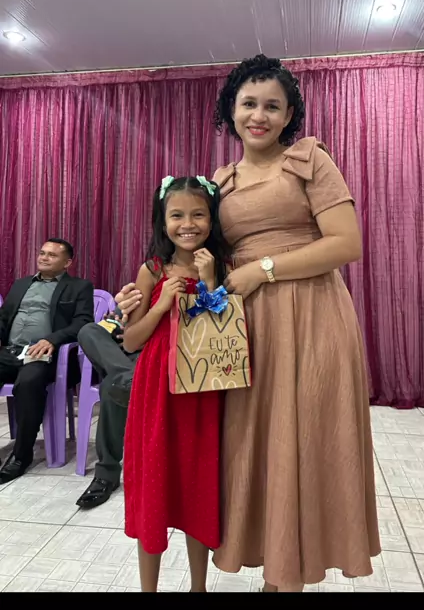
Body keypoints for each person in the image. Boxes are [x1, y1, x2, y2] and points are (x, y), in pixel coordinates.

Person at [115, 55, 381, 592]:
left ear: (289, 115)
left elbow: (346, 243)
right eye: (249, 104)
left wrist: (264, 269)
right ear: (230, 111)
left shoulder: (310, 160)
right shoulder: (221, 182)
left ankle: (288, 579)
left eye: (273, 106)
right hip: (244, 328)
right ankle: (274, 565)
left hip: (310, 317)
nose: (259, 116)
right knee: (257, 446)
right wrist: (139, 295)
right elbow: (194, 249)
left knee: (304, 439)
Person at [122, 176, 230, 593]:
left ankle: (198, 587)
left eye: (198, 214)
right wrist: (161, 304)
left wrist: (211, 281)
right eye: (177, 215)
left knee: (198, 485)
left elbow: (225, 330)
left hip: (202, 390)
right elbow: (131, 340)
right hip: (157, 390)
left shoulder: (221, 266)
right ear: (162, 221)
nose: (188, 224)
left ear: (211, 220)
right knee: (154, 484)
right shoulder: (151, 270)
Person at [0, 238, 94, 484]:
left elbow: (83, 322)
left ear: (67, 263)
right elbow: (4, 318)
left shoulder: (79, 287)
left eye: (52, 255)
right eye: (42, 253)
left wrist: (52, 339)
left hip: (45, 355)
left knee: (28, 383)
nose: (44, 258)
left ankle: (21, 456)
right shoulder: (21, 284)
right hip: (10, 351)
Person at [75, 301, 141, 509]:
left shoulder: (180, 289)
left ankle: (106, 475)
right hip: (120, 356)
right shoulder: (137, 290)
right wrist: (114, 322)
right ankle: (127, 378)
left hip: (150, 352)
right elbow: (112, 322)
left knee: (111, 386)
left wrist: (138, 335)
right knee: (88, 330)